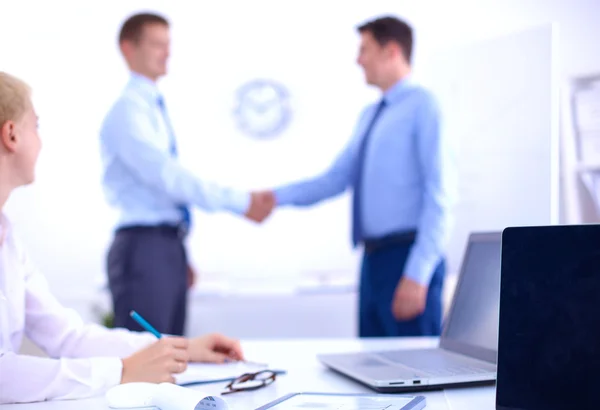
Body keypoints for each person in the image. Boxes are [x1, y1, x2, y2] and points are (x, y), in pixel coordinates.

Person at [0, 71, 246, 404]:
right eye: (37, 126)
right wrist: (121, 372)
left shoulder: (9, 238)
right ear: (11, 135)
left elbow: (68, 337)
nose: (41, 141)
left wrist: (183, 348)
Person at [267, 16, 457, 337]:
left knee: (414, 371)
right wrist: (273, 197)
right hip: (373, 262)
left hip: (407, 258)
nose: (358, 60)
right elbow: (335, 179)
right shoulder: (370, 116)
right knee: (373, 370)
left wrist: (418, 274)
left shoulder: (424, 106)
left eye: (364, 49)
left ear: (391, 51)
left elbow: (441, 195)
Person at [99, 13, 274, 336]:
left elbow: (163, 194)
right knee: (149, 361)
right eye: (156, 44)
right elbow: (168, 177)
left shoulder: (151, 107)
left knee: (173, 358)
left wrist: (178, 255)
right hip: (144, 249)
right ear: (128, 47)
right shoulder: (128, 111)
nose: (166, 52)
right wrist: (240, 202)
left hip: (164, 246)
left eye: (168, 44)